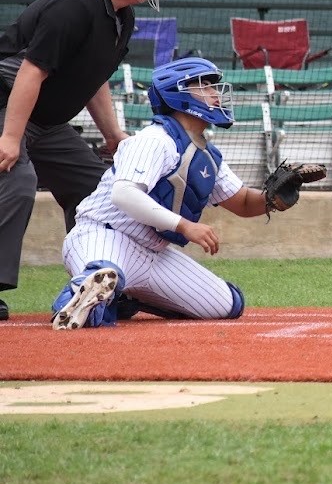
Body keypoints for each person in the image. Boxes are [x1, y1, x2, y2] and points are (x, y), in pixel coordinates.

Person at [0, 0, 168, 322]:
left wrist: (113, 136)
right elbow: (30, 72)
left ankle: (93, 284)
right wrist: (9, 137)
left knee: (97, 188)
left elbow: (95, 76)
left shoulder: (122, 15)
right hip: (9, 106)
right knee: (16, 181)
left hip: (46, 121)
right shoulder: (73, 5)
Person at [50, 57, 276, 329]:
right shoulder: (154, 140)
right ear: (177, 93)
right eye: (205, 86)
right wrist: (184, 226)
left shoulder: (207, 156)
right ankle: (78, 300)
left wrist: (276, 197)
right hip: (104, 235)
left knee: (228, 304)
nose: (216, 93)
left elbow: (243, 202)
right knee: (101, 273)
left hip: (152, 254)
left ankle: (121, 295)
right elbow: (124, 194)